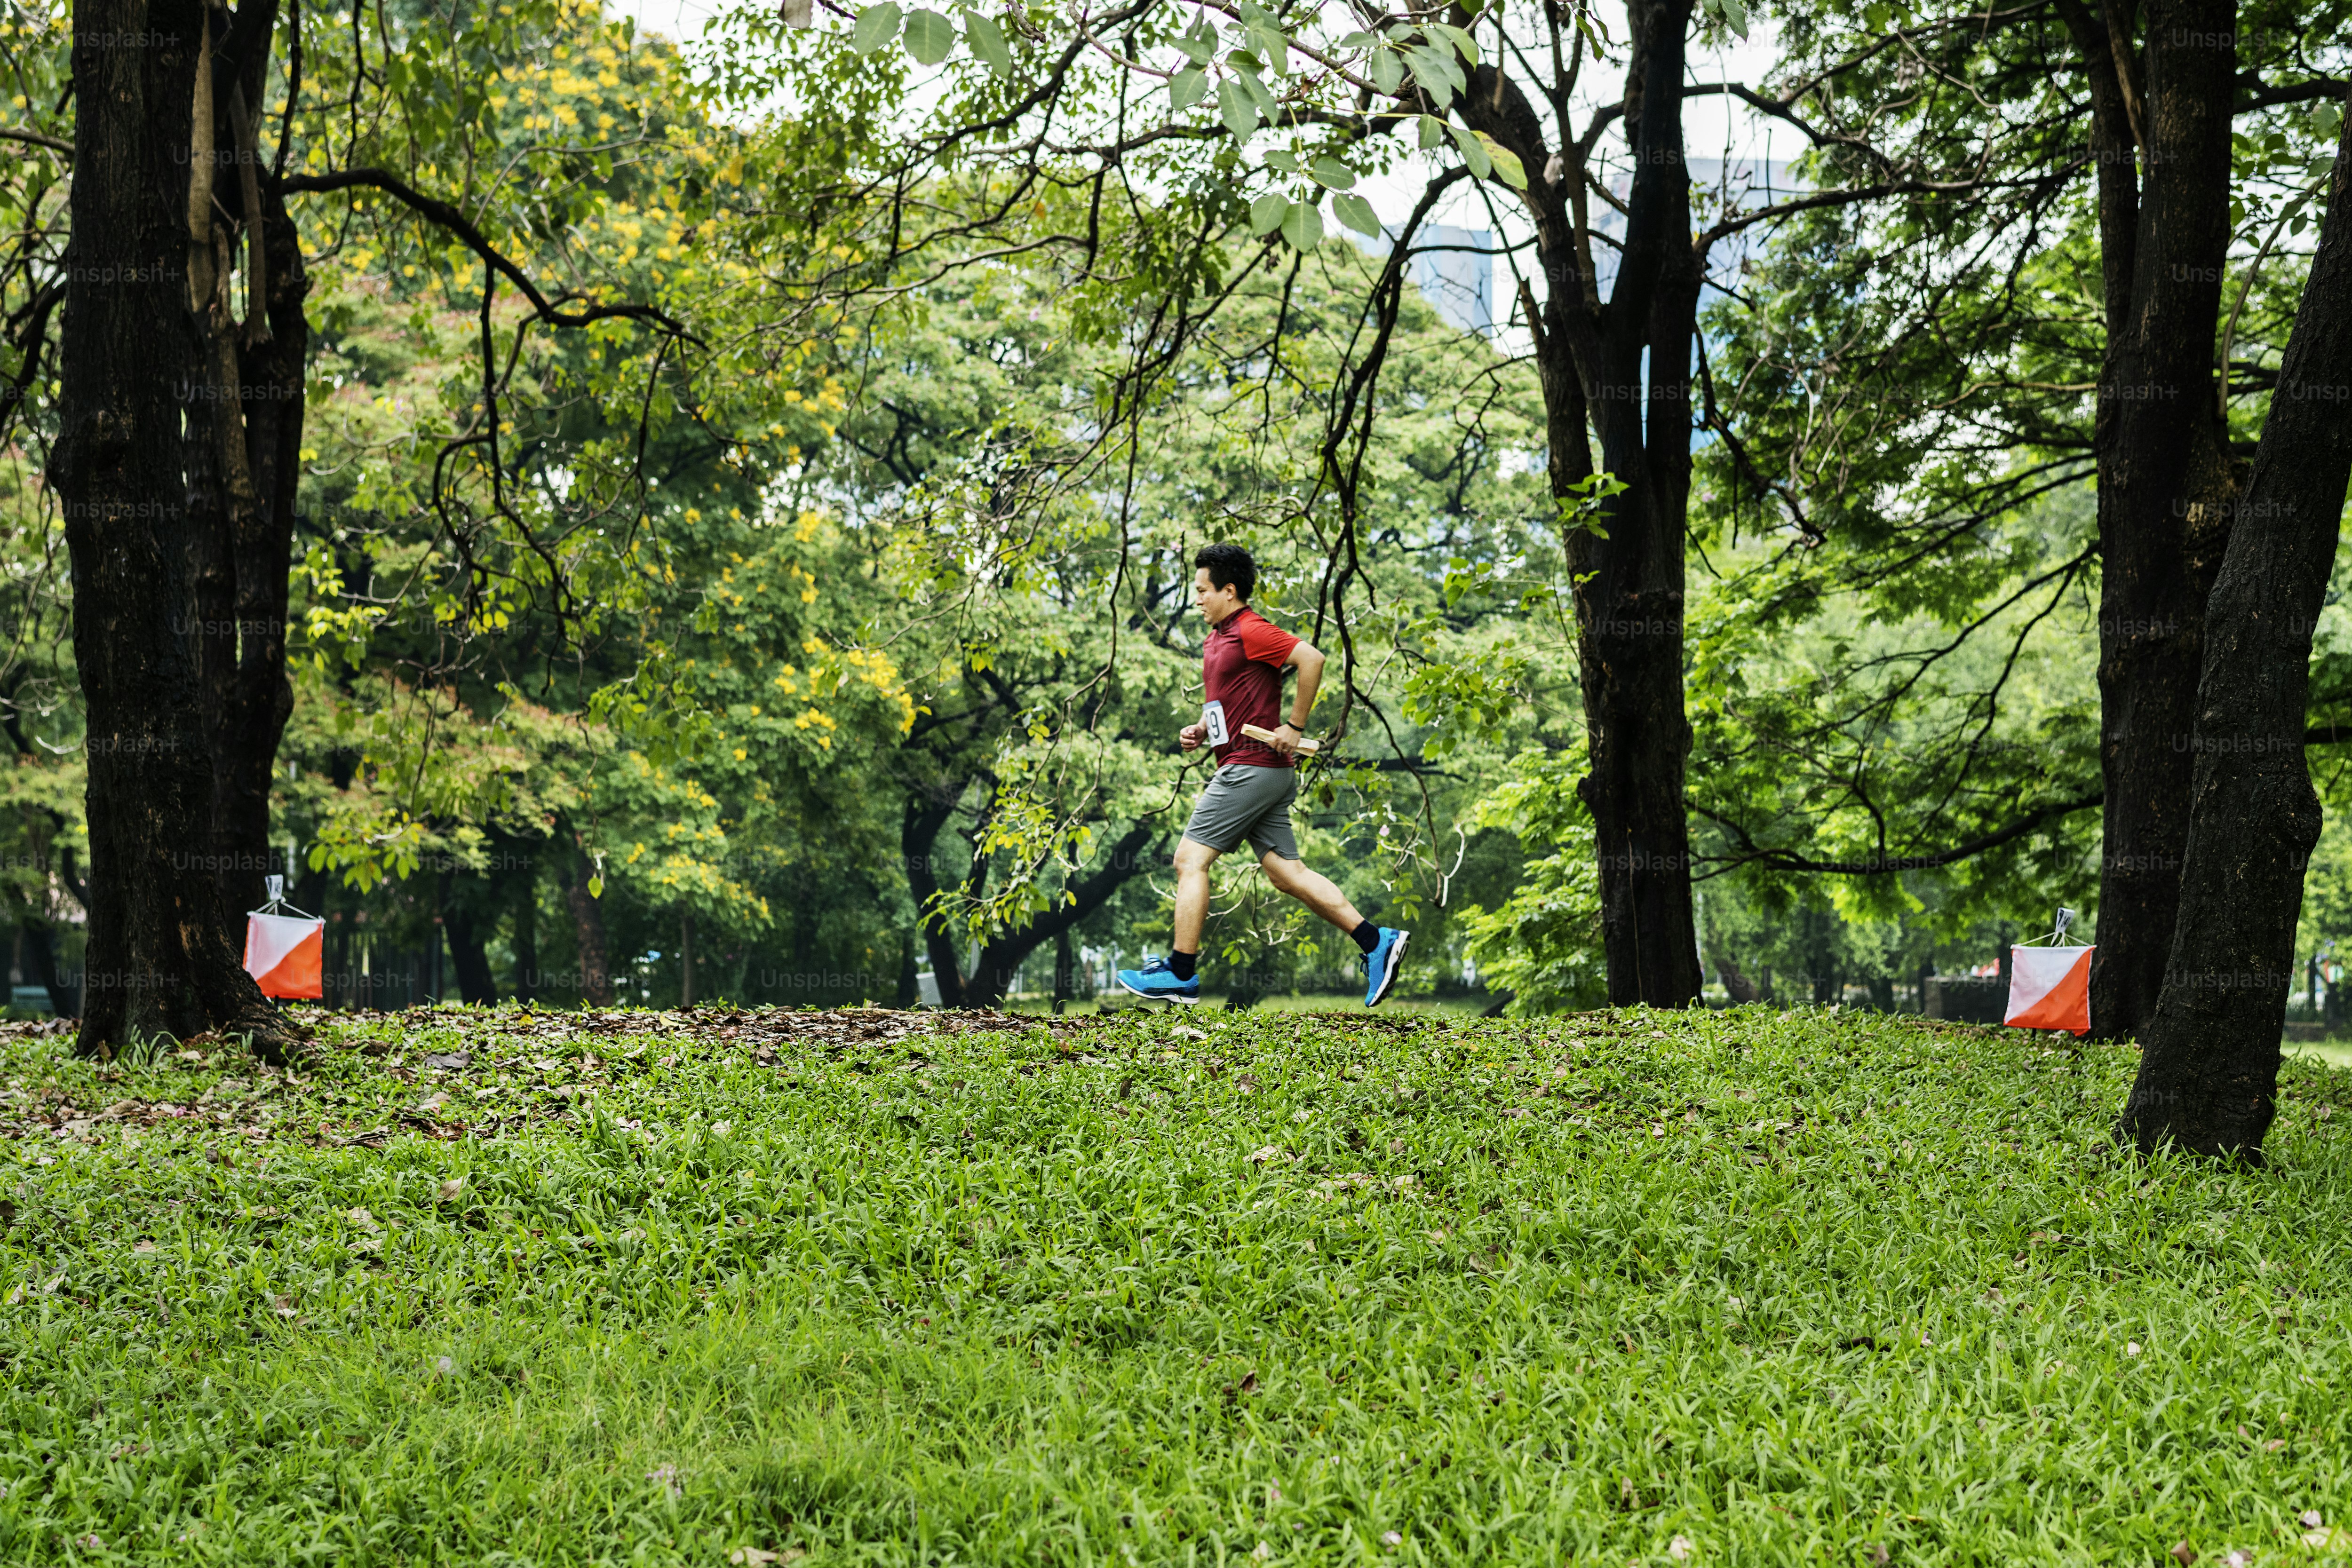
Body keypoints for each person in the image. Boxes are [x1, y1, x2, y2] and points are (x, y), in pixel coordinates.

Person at [1117, 544, 1408, 1007]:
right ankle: (1377, 942)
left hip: (1250, 767)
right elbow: (1225, 698)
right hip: (1259, 770)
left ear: (1229, 591)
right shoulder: (1217, 638)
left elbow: (1311, 659)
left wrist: (1294, 726)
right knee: (1286, 873)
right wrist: (1202, 728)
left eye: (1203, 591)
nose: (1197, 599)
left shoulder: (1250, 629)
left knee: (1189, 860)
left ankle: (1180, 972)